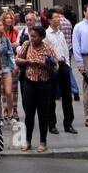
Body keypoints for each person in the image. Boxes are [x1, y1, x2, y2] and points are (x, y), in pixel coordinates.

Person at [17, 23, 58, 153]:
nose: (32, 38)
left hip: (44, 83)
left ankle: (43, 141)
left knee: (43, 113)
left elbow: (56, 67)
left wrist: (44, 64)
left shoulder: (48, 48)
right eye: (31, 36)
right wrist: (28, 62)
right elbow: (17, 60)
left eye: (35, 36)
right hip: (29, 82)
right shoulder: (26, 45)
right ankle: (27, 141)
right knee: (29, 114)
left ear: (41, 37)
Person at [46, 11, 76, 134]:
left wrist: (68, 65)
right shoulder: (46, 34)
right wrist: (52, 65)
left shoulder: (61, 33)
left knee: (67, 96)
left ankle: (68, 124)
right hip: (52, 66)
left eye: (58, 17)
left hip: (63, 65)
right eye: (55, 17)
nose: (58, 19)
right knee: (51, 97)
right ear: (49, 20)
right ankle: (52, 124)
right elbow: (46, 51)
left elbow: (65, 49)